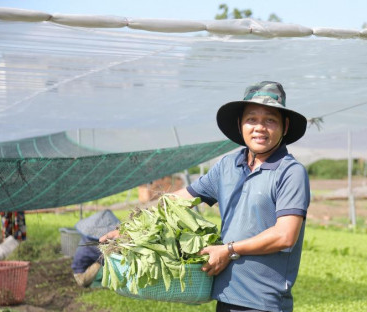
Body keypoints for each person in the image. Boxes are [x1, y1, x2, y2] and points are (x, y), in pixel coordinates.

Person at [101, 81, 310, 312]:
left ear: (285, 126)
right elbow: (178, 202)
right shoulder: (228, 166)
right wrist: (130, 230)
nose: (259, 127)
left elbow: (284, 236)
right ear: (240, 124)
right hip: (226, 293)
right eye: (252, 119)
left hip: (264, 301)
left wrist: (228, 250)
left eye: (270, 120)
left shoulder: (290, 172)